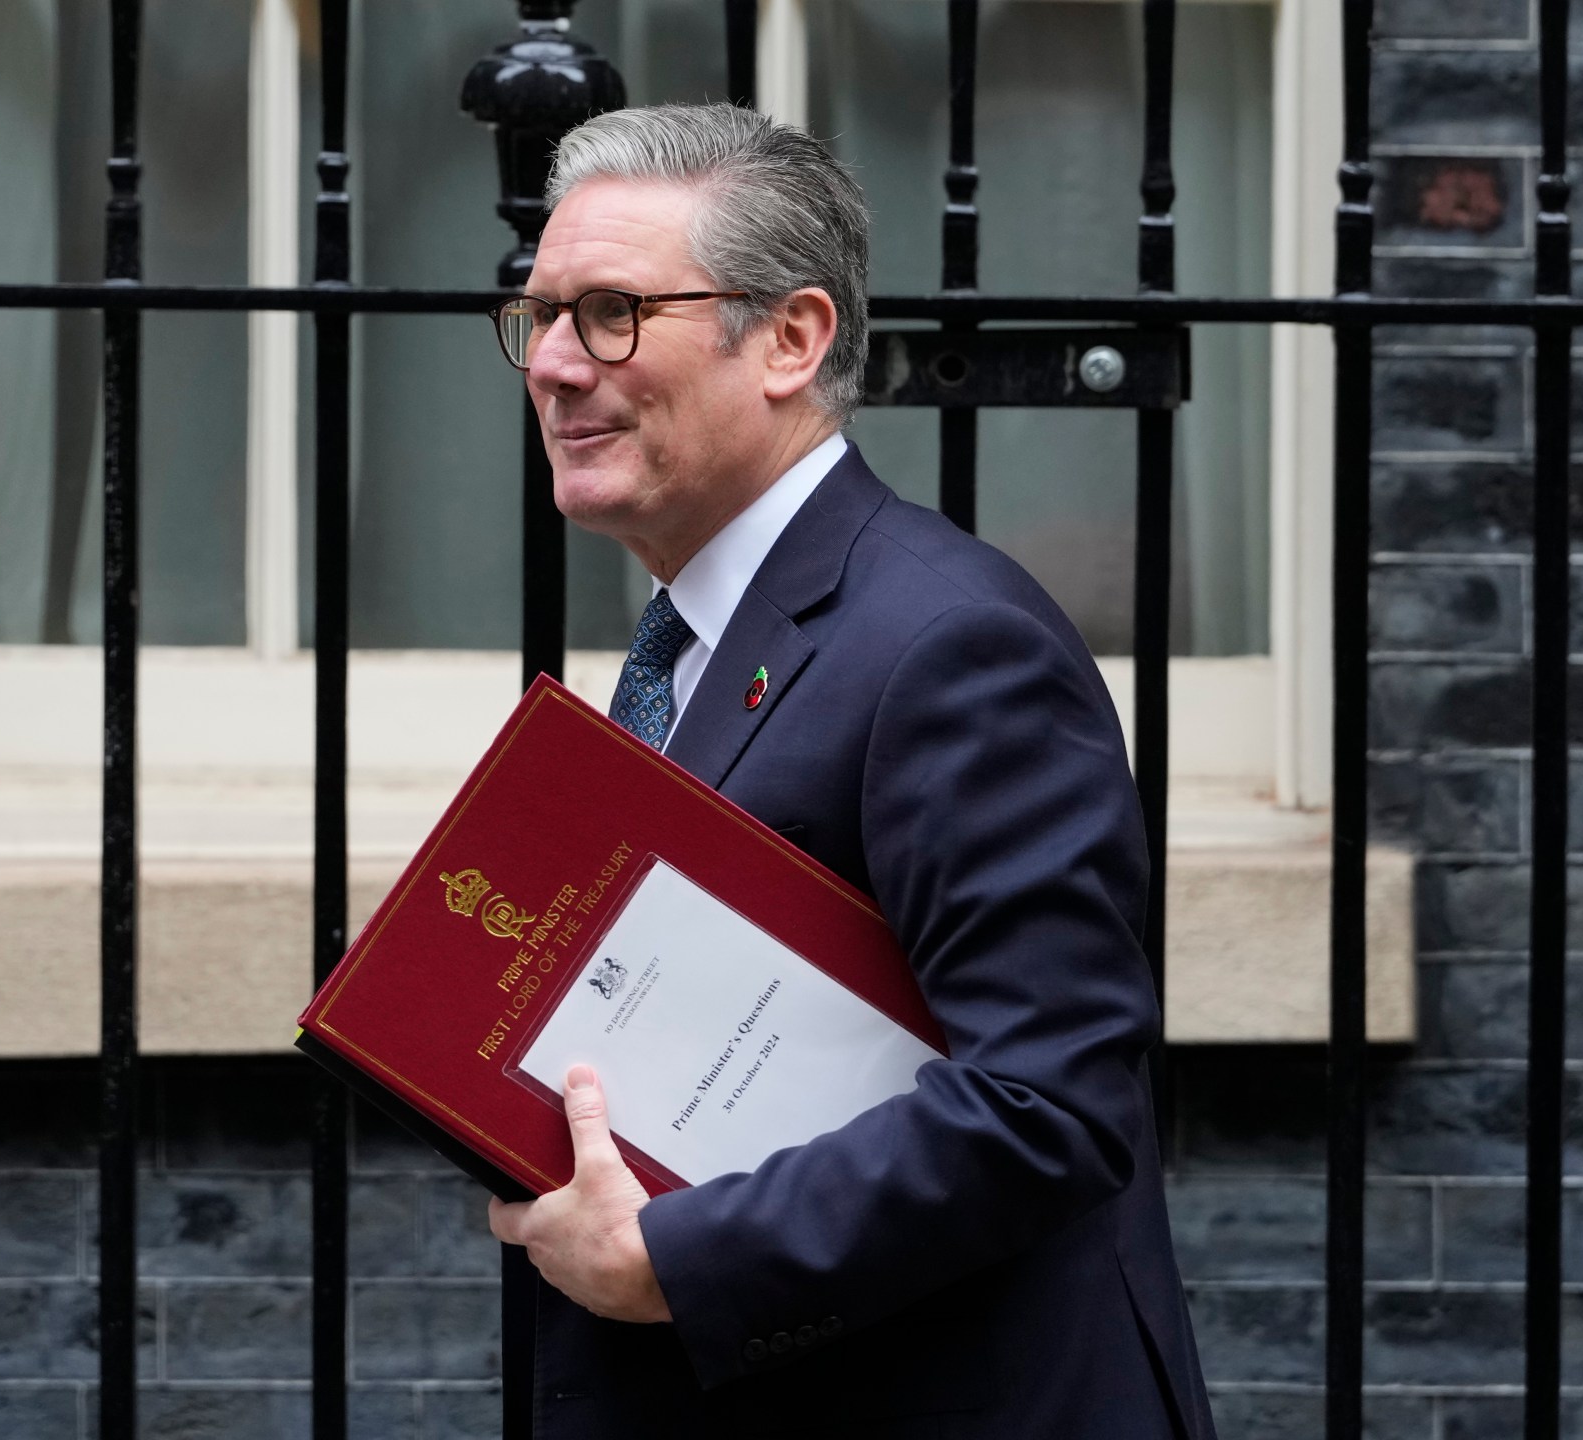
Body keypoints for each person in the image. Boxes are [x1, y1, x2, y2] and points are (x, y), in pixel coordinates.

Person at [480, 103, 1216, 1440]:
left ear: (793, 338)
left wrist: (675, 1262)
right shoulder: (697, 635)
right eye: (538, 319)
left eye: (611, 313)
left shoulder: (950, 645)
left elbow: (1049, 1104)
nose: (556, 366)